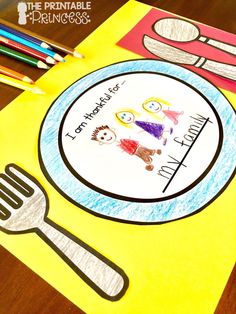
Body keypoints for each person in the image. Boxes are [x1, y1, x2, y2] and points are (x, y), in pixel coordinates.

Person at [91, 125, 161, 171]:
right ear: (101, 142)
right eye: (102, 138)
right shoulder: (118, 146)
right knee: (141, 155)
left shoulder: (123, 139)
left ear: (112, 129)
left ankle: (152, 152)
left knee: (143, 149)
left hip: (136, 146)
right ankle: (149, 163)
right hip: (133, 151)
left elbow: (135, 142)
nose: (106, 137)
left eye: (105, 133)